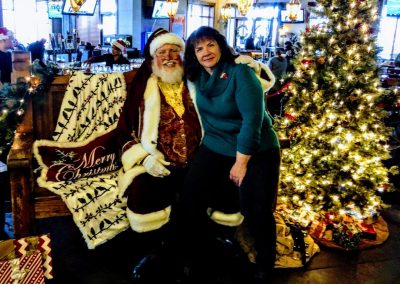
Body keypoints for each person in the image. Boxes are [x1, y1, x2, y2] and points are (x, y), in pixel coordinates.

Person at [183, 26, 281, 283]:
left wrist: (241, 163)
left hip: (255, 148)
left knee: (255, 208)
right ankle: (203, 251)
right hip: (216, 145)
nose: (206, 52)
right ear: (193, 54)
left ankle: (266, 261)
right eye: (199, 48)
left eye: (210, 45)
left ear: (221, 46)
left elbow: (252, 121)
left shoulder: (241, 73)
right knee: (191, 195)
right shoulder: (197, 77)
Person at [116, 28, 203, 282]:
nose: (168, 56)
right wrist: (145, 158)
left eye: (174, 51)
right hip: (157, 162)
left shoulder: (194, 81)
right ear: (153, 58)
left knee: (200, 193)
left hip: (198, 160)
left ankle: (189, 251)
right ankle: (158, 252)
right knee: (145, 190)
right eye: (162, 52)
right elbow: (124, 130)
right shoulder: (143, 87)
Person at [267, 49, 287, 115]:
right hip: (282, 81)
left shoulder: (272, 60)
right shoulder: (285, 60)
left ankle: (270, 112)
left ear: (275, 53)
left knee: (271, 97)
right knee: (279, 97)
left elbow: (268, 70)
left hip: (274, 81)